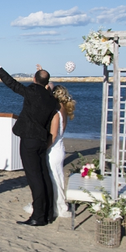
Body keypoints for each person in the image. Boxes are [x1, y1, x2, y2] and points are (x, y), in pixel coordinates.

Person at [0, 52, 59, 227]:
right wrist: (42, 76)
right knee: (44, 176)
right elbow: (46, 87)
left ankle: (38, 217)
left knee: (34, 178)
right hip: (42, 140)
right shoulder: (51, 99)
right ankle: (48, 213)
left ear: (34, 80)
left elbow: (11, 82)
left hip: (30, 140)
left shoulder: (33, 91)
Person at [48, 84, 76, 219]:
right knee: (58, 177)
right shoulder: (64, 109)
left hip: (53, 150)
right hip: (60, 148)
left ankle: (58, 206)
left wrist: (44, 147)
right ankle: (60, 203)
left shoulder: (56, 113)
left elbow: (53, 135)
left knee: (54, 179)